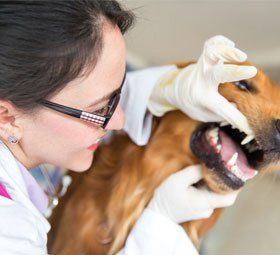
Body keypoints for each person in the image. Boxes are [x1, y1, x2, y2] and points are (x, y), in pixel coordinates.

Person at [0, 1, 257, 254]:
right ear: (7, 117)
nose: (120, 120)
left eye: (119, 94)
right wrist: (160, 227)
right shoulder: (9, 232)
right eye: (100, 109)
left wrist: (166, 88)